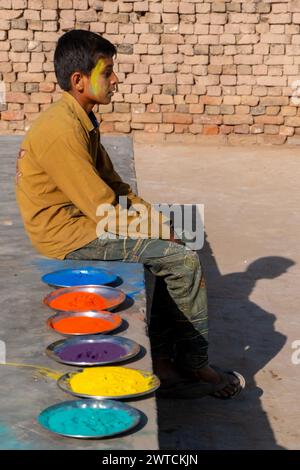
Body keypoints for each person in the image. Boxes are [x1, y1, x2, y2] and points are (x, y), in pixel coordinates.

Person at [16, 29, 245, 399]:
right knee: (182, 261)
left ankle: (167, 361)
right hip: (67, 236)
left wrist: (159, 223)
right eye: (107, 72)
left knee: (177, 238)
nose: (116, 80)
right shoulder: (61, 130)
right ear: (79, 80)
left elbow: (118, 189)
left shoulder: (80, 119)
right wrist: (158, 233)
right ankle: (194, 363)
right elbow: (104, 210)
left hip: (86, 221)